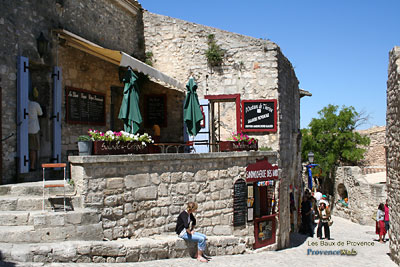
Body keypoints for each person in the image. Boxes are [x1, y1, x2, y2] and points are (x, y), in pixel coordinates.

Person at [28, 95, 43, 171]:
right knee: (33, 149)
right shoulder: (34, 104)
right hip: (33, 129)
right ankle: (32, 166)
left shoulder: (23, 104)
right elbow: (40, 113)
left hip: (24, 129)